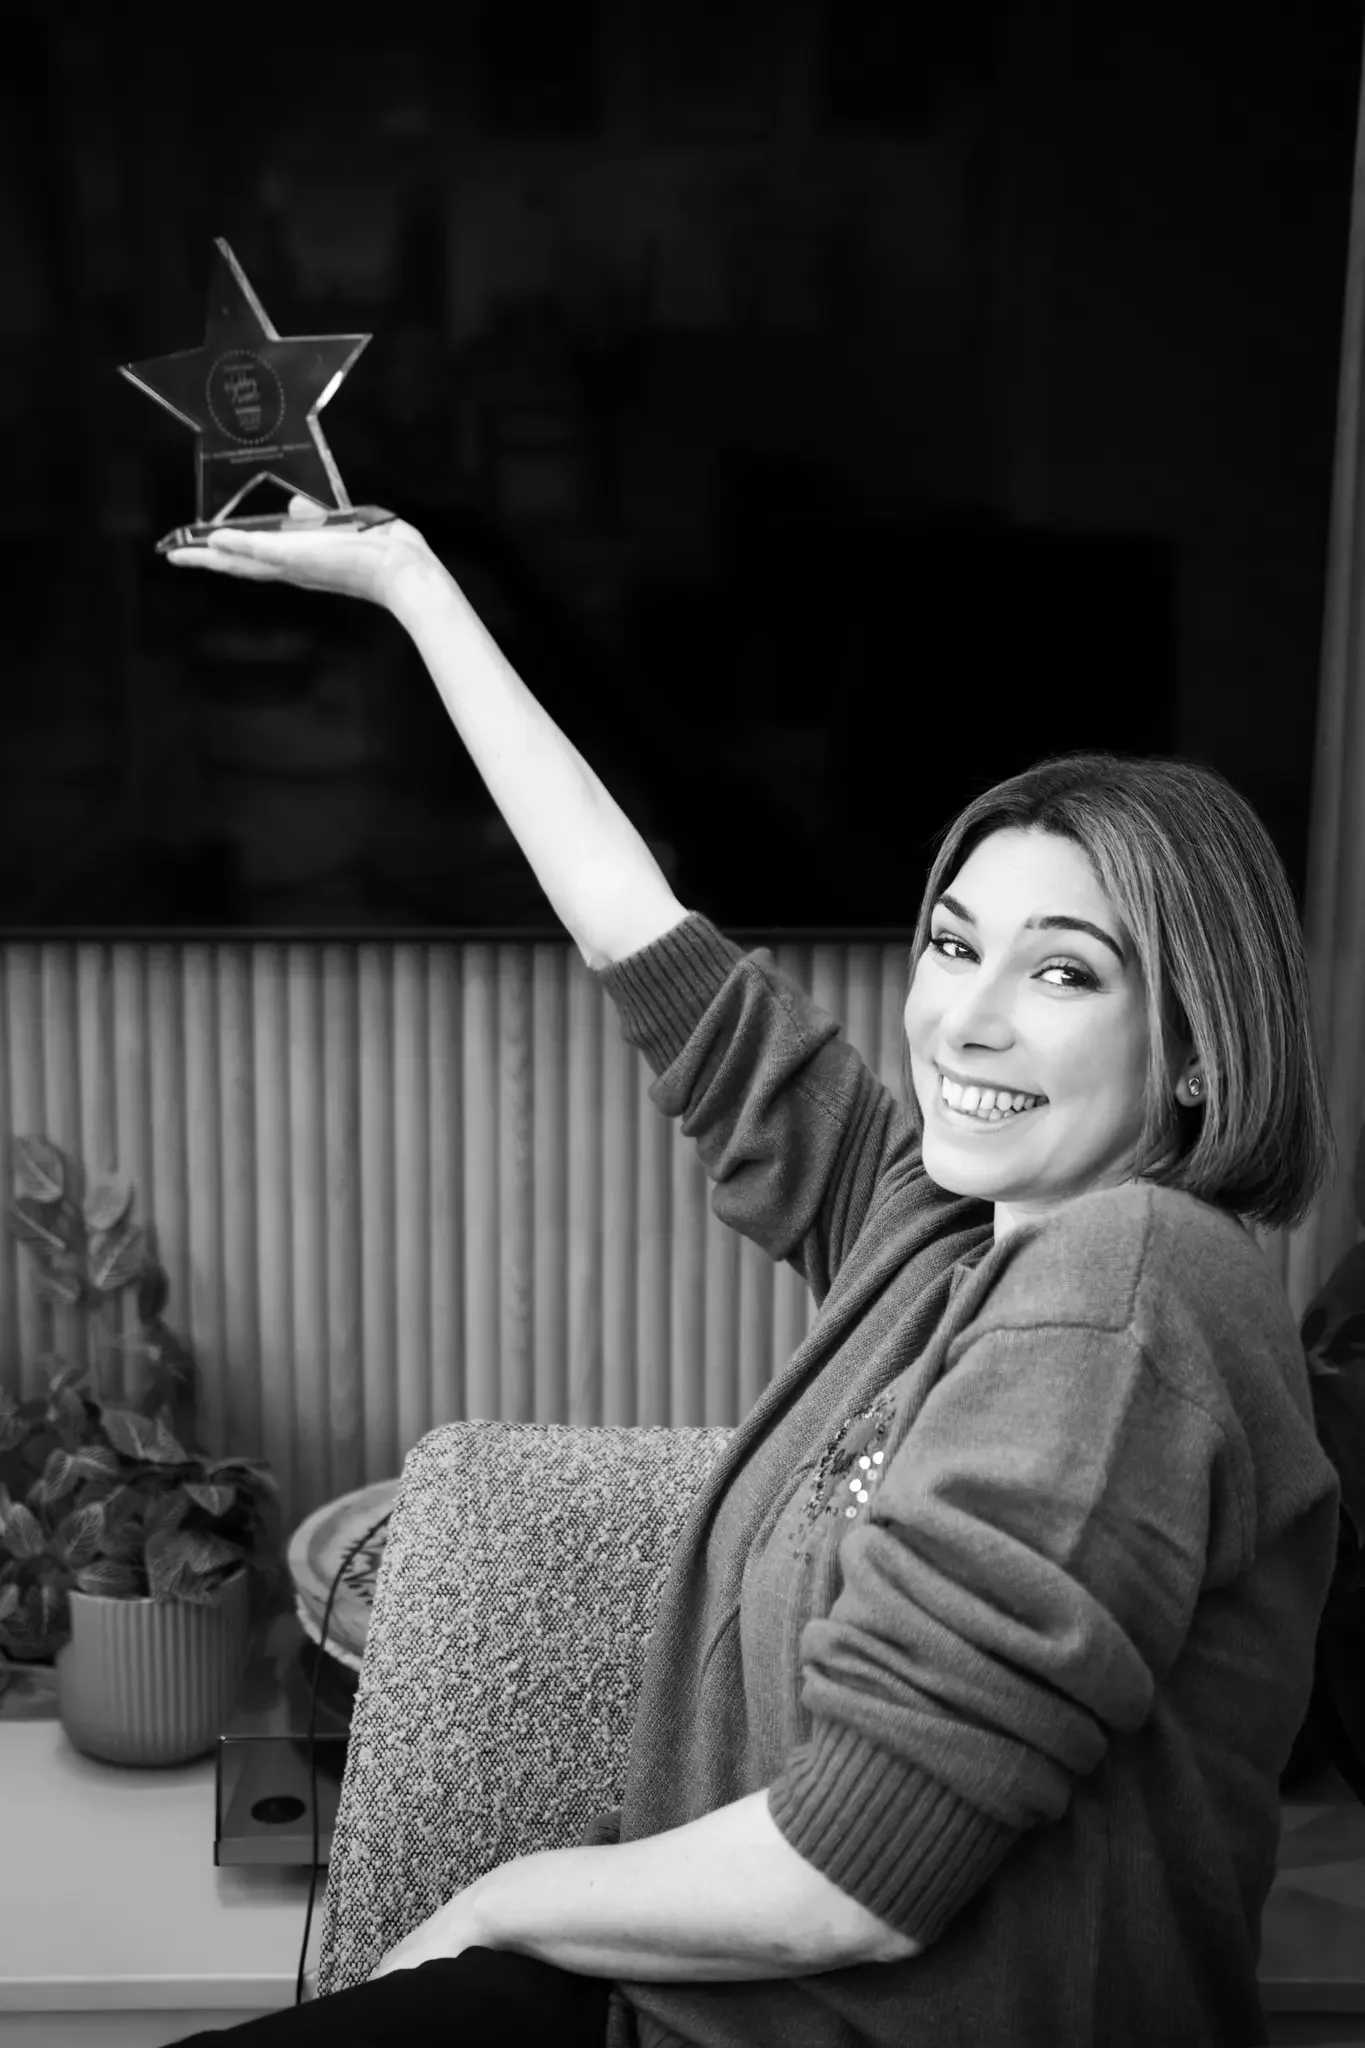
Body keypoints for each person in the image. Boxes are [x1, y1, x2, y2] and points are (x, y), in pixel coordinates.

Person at [163, 499, 1341, 2048]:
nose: (967, 1021)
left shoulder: (1135, 1281)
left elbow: (857, 1880)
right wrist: (411, 585)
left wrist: (497, 1900)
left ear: (1194, 1051)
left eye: (1062, 972)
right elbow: (643, 934)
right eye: (952, 942)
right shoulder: (931, 1235)